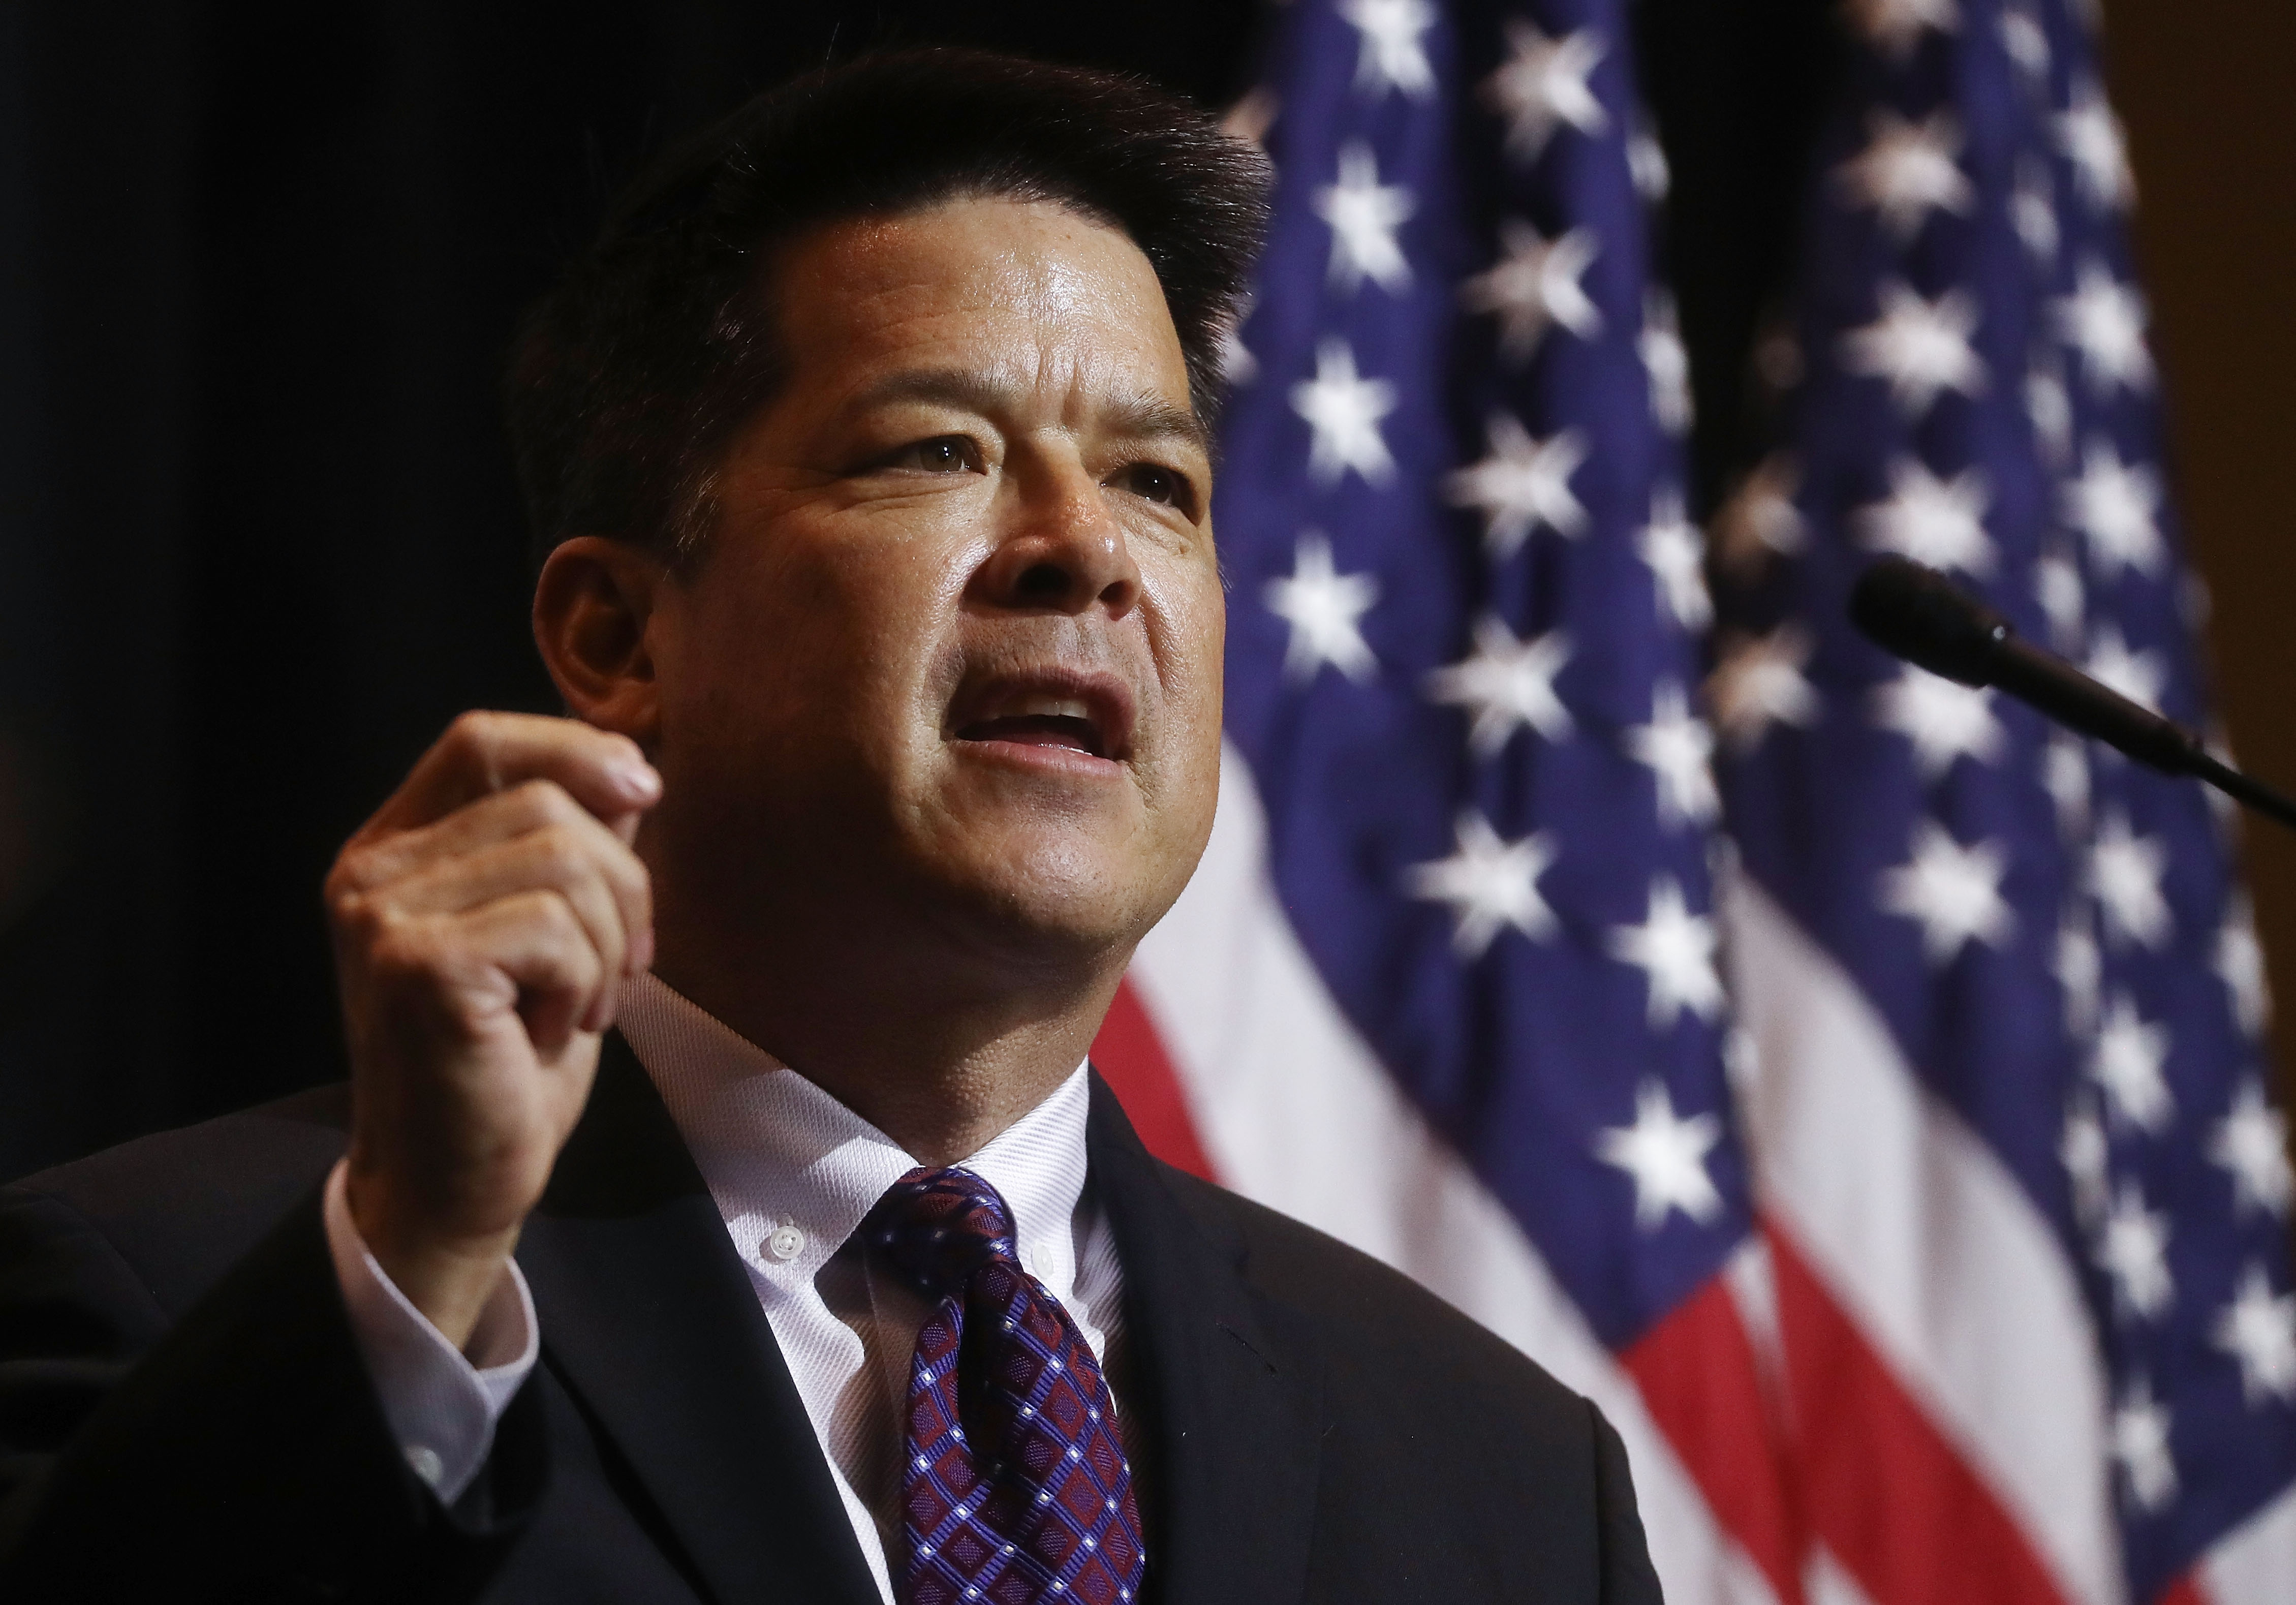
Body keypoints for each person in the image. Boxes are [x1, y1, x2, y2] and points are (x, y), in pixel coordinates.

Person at [0, 49, 1663, 1604]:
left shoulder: (1501, 1483)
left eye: (1159, 483)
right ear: (614, 637)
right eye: (940, 450)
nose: (1083, 551)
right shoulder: (189, 1299)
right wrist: (418, 1263)